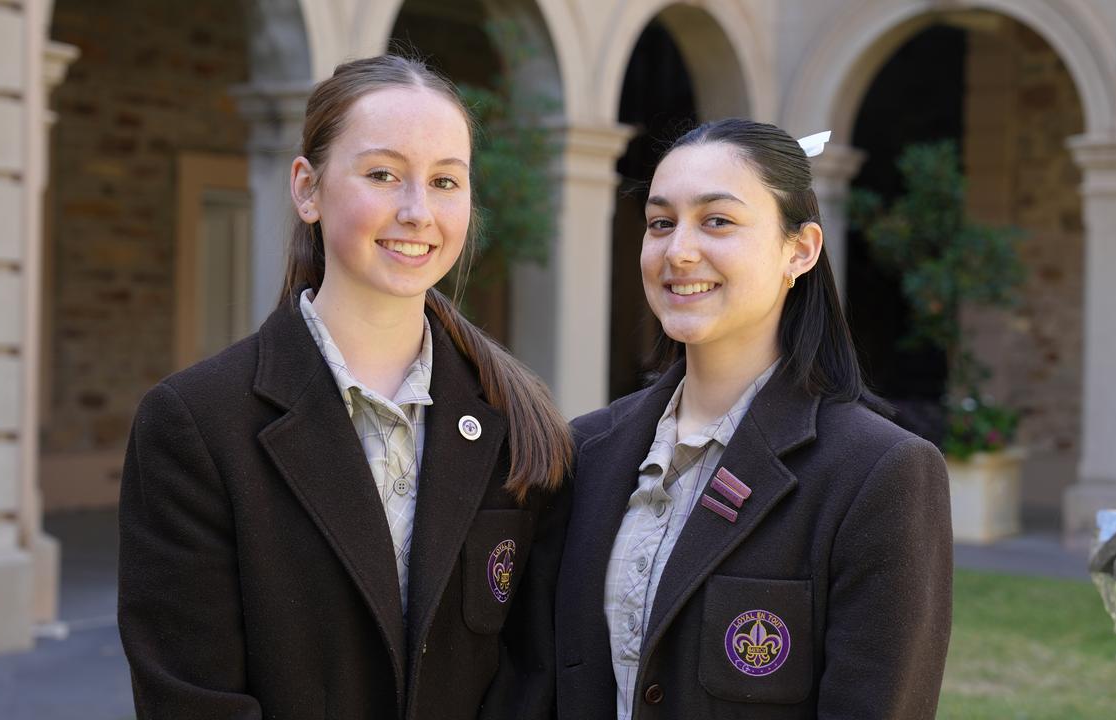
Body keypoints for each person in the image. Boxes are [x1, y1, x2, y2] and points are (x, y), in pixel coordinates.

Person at [117, 55, 571, 720]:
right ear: (308, 189)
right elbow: (191, 699)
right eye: (383, 174)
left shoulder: (517, 424)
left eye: (445, 181)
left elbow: (532, 677)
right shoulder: (195, 425)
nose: (418, 211)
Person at [556, 119, 952, 719]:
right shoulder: (587, 451)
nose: (679, 250)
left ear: (801, 249)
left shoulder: (879, 473)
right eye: (661, 223)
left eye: (717, 221)